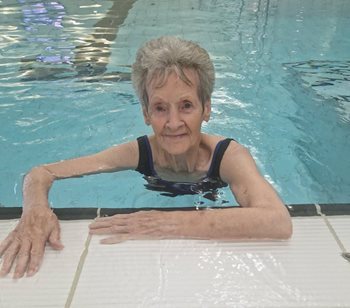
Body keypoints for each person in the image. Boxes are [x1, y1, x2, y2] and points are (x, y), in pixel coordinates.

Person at [0, 36, 292, 279]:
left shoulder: (228, 156)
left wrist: (171, 223)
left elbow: (278, 221)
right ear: (145, 113)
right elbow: (42, 172)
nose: (173, 122)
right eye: (160, 108)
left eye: (186, 105)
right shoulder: (138, 153)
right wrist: (35, 209)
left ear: (207, 108)